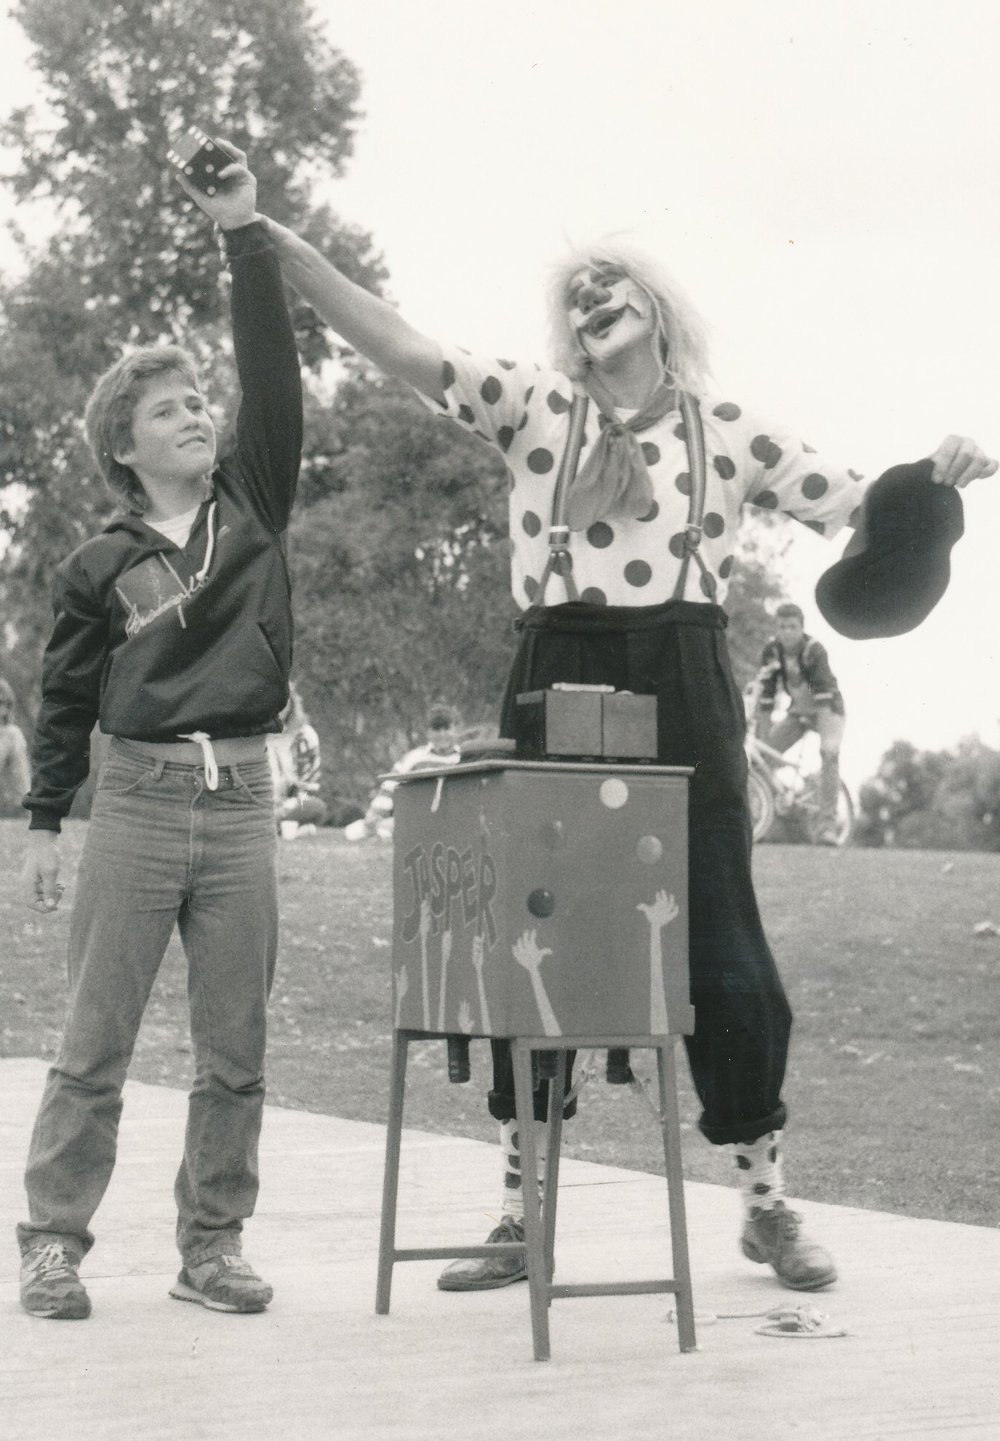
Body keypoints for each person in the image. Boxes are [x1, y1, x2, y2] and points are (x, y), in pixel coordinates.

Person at [261, 215, 995, 1294]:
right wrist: (278, 245)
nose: (591, 299)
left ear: (654, 307)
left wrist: (939, 474)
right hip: (556, 667)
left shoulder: (730, 434)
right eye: (575, 295)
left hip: (687, 677)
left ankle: (764, 1203)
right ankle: (521, 1213)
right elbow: (403, 347)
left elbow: (856, 511)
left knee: (722, 942)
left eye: (613, 287)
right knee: (536, 940)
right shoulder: (531, 406)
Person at [16, 145, 303, 1321]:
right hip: (133, 806)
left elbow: (272, 374)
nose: (199, 414)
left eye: (201, 402)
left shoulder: (254, 507)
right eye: (168, 408)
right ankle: (53, 1244)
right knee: (97, 1043)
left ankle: (213, 1246)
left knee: (233, 1049)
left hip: (242, 809)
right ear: (123, 445)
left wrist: (242, 234)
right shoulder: (96, 563)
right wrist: (43, 824)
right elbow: (65, 698)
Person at [755, 603, 846, 844]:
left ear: (802, 628)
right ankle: (759, 820)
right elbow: (766, 696)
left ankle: (827, 827)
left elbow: (825, 691)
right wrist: (762, 736)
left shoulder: (814, 650)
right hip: (798, 710)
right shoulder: (772, 652)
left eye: (792, 627)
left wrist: (825, 732)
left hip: (827, 707)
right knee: (763, 755)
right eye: (782, 627)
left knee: (829, 754)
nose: (787, 633)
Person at [345, 702, 462, 841]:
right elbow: (390, 786)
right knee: (355, 831)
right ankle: (383, 832)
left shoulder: (463, 758)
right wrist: (375, 814)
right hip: (420, 816)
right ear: (428, 732)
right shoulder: (415, 758)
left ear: (455, 730)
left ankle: (386, 834)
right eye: (436, 729)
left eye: (447, 728)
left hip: (454, 817)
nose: (442, 734)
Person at [267, 682, 328, 837]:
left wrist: (285, 807)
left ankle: (272, 826)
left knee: (316, 807)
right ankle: (282, 828)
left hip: (289, 806)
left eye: (283, 701)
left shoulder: (305, 736)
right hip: (259, 804)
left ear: (292, 702)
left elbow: (308, 789)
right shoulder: (251, 737)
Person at [0, 678, 30, 813]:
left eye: (4, 704)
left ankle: (29, 811)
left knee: (13, 734)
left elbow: (20, 779)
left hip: (9, 804)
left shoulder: (11, 735)